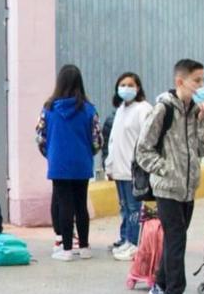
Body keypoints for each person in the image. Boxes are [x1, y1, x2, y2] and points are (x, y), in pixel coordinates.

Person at [134, 60, 204, 294]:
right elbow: (143, 149)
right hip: (168, 187)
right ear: (180, 82)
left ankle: (160, 285)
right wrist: (165, 168)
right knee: (177, 240)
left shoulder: (194, 111)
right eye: (197, 81)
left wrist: (203, 121)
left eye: (203, 80)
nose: (202, 86)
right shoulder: (163, 109)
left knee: (174, 240)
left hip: (188, 187)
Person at [39, 63, 102, 260]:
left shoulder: (49, 109)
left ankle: (66, 249)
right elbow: (97, 139)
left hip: (58, 163)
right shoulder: (89, 110)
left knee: (64, 204)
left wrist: (51, 154)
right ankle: (84, 247)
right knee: (80, 204)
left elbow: (40, 137)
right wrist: (87, 153)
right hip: (82, 162)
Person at [101, 73, 153, 259]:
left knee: (134, 208)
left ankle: (134, 242)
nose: (126, 88)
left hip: (134, 170)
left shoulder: (143, 109)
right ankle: (125, 239)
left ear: (138, 87)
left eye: (130, 84)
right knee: (124, 207)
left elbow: (148, 138)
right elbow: (113, 140)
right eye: (122, 84)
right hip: (119, 169)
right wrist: (109, 166)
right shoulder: (121, 109)